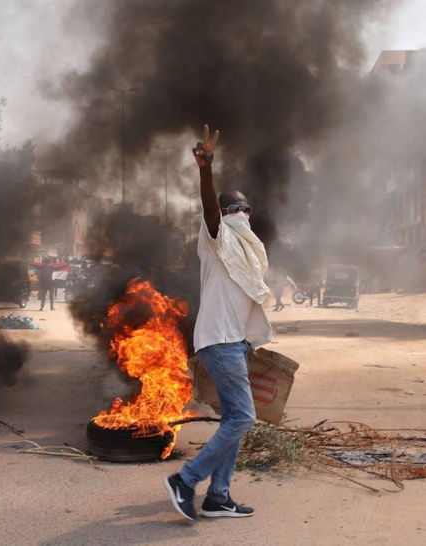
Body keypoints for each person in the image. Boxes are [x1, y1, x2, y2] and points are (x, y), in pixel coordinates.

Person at [164, 125, 272, 521]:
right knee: (243, 417)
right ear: (225, 216)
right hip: (220, 342)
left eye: (246, 209)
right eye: (234, 209)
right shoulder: (218, 239)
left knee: (234, 420)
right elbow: (210, 209)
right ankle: (186, 480)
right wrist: (206, 172)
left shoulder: (247, 253)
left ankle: (218, 496)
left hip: (235, 344)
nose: (242, 214)